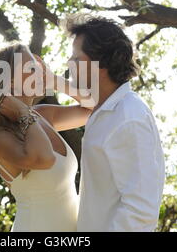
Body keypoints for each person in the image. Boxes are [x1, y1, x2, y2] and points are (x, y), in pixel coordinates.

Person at [0, 42, 92, 231]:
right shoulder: (0, 137)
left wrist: (55, 81)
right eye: (31, 67)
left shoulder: (43, 116)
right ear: (9, 81)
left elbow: (94, 107)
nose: (40, 70)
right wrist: (23, 112)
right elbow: (45, 158)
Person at [63, 14, 166, 232]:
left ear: (101, 65)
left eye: (76, 59)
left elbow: (141, 211)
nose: (68, 64)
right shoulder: (103, 112)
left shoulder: (128, 117)